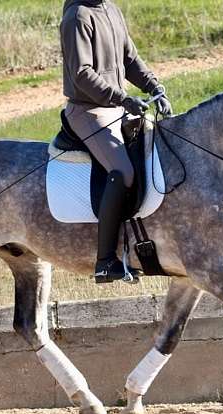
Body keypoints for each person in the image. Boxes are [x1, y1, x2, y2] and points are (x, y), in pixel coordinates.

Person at [60, 0, 172, 283]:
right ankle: (105, 261)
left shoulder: (111, 10)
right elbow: (82, 74)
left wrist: (154, 87)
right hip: (88, 111)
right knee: (123, 171)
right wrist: (121, 98)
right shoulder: (77, 16)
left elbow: (130, 59)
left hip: (115, 106)